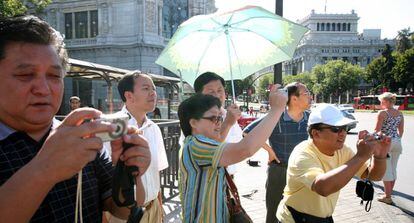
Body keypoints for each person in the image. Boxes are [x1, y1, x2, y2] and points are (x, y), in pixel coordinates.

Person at [0, 15, 151, 222]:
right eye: (26, 75)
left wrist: (128, 171)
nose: (43, 89)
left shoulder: (81, 138)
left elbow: (122, 210)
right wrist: (44, 169)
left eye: (54, 76)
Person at [178, 85, 287, 222]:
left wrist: (228, 122)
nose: (218, 123)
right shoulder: (196, 145)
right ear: (193, 122)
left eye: (220, 118)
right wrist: (276, 110)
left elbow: (220, 141)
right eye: (214, 119)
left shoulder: (198, 144)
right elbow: (245, 149)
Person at [276, 103, 390, 223]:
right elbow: (323, 187)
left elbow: (372, 175)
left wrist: (380, 156)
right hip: (294, 219)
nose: (343, 133)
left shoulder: (342, 150)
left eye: (344, 128)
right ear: (316, 133)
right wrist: (361, 156)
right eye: (336, 129)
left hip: (324, 218)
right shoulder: (303, 154)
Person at [243, 82, 312, 223]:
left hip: (303, 172)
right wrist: (269, 151)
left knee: (301, 213)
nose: (310, 97)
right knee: (274, 213)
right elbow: (247, 133)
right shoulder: (276, 117)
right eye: (306, 94)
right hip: (279, 171)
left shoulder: (311, 118)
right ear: (294, 98)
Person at [105, 72, 168, 223]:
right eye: (146, 88)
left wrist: (159, 206)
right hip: (123, 215)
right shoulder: (113, 128)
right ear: (129, 95)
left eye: (153, 88)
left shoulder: (154, 128)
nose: (153, 93)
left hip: (153, 209)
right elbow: (104, 178)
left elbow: (156, 172)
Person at [192, 72, 243, 176]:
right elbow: (209, 148)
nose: (217, 95)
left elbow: (239, 144)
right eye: (211, 92)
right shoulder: (195, 119)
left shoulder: (228, 115)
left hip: (228, 178)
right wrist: (228, 123)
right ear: (199, 95)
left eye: (220, 90)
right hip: (205, 180)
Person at [374, 92, 404, 204]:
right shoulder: (400, 113)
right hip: (397, 142)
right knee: (393, 168)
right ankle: (389, 193)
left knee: (386, 170)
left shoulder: (382, 113)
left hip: (386, 142)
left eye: (381, 101)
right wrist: (396, 139)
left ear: (386, 101)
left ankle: (387, 197)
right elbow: (401, 131)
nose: (380, 103)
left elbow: (377, 130)